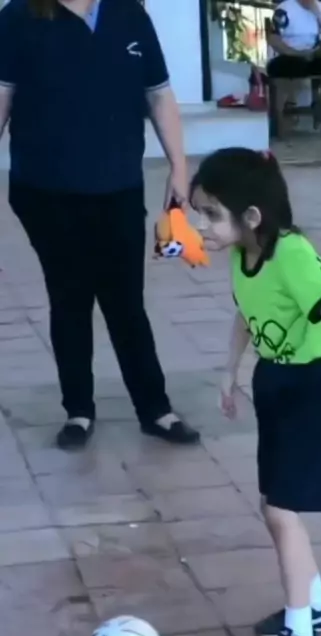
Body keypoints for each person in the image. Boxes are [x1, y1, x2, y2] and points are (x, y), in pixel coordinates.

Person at [191, 148, 321, 636]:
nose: (203, 226)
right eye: (201, 213)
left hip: (313, 388)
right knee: (273, 505)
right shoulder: (243, 252)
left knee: (283, 513)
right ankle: (315, 605)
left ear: (251, 216)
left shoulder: (291, 254)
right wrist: (229, 372)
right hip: (276, 382)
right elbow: (247, 314)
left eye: (212, 214)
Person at [0, 0, 199, 450]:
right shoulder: (19, 17)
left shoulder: (129, 15)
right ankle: (78, 411)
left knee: (125, 301)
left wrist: (179, 166)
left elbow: (159, 93)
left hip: (118, 187)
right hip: (45, 191)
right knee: (69, 297)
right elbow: (2, 96)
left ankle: (155, 409)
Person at [267, 0, 321, 131]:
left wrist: (317, 12)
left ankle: (320, 103)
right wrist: (297, 53)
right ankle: (284, 115)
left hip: (313, 55)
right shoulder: (285, 9)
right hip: (289, 55)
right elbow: (273, 40)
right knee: (280, 69)